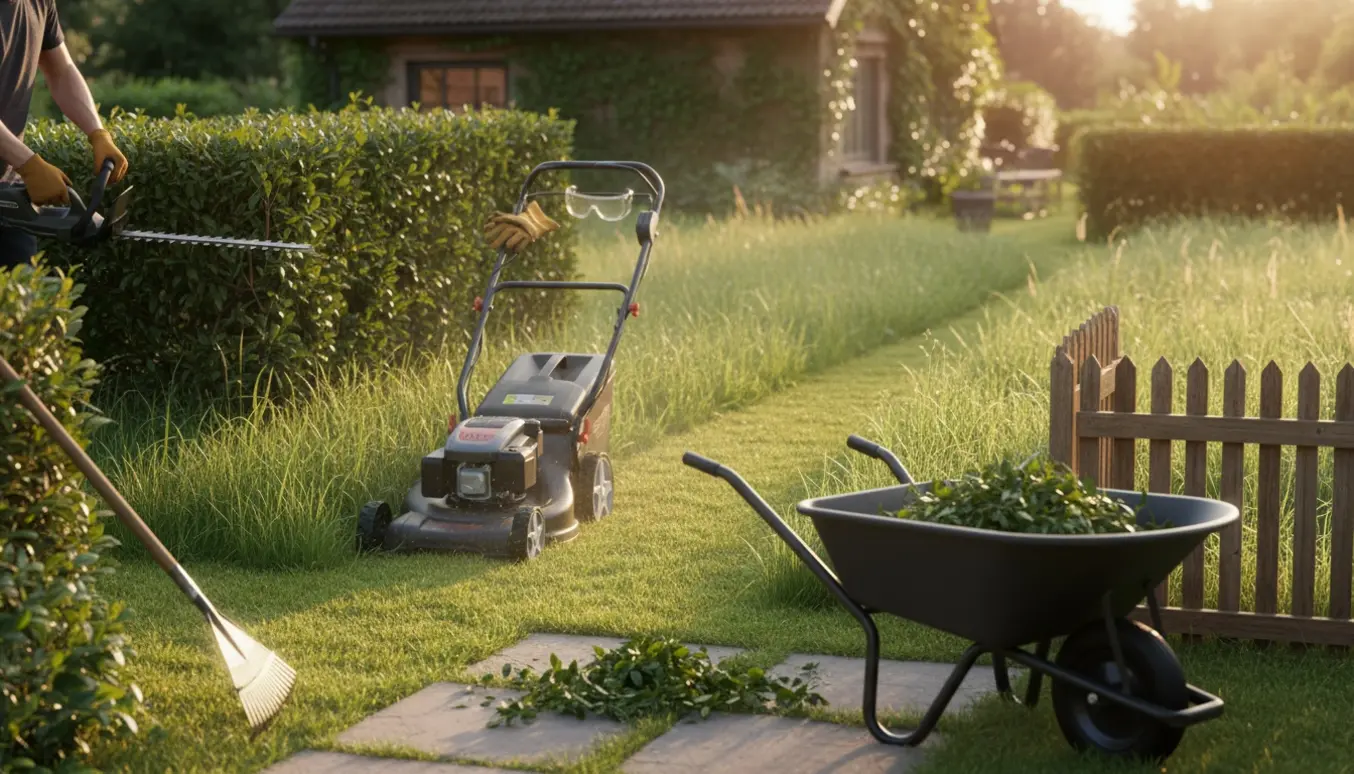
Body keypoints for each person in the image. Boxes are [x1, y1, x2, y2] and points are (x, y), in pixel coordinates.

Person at [0, 0, 128, 271]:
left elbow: (62, 72)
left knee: (21, 305)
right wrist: (29, 164)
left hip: (6, 192)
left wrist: (98, 132)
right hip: (15, 173)